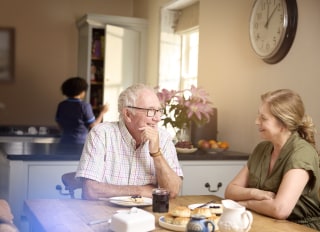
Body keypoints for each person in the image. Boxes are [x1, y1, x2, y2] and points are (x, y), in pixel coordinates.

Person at [225, 89, 320, 230]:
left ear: (284, 123)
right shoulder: (261, 148)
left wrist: (246, 203)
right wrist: (256, 193)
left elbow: (280, 210)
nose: (256, 122)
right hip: (263, 222)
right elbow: (230, 192)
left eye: (263, 118)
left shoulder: (302, 153)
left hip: (299, 228)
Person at [76, 83, 183, 199]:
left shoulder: (164, 137)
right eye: (150, 111)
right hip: (105, 212)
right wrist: (139, 190)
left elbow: (172, 192)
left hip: (148, 214)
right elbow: (90, 190)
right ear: (128, 114)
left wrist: (156, 153)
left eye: (158, 110)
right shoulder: (101, 134)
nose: (157, 118)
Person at [55, 77, 109, 144]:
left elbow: (59, 125)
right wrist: (102, 112)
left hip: (63, 142)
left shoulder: (62, 105)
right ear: (81, 92)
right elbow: (93, 126)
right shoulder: (84, 106)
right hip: (79, 143)